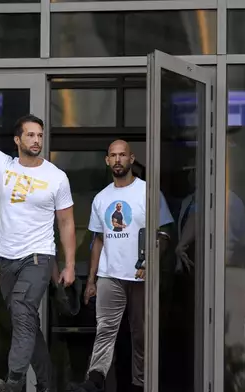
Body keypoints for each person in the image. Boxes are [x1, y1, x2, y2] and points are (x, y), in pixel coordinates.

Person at [0, 78, 77, 392]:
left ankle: (14, 382)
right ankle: (46, 383)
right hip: (7, 260)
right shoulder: (4, 166)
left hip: (39, 257)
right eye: (31, 135)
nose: (37, 140)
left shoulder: (56, 177)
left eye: (40, 135)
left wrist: (68, 265)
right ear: (18, 139)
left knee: (24, 312)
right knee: (24, 322)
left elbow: (66, 223)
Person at [68, 140, 175, 392]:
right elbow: (97, 240)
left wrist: (151, 260)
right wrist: (91, 281)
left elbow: (165, 234)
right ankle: (95, 380)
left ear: (131, 158)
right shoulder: (101, 198)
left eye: (122, 155)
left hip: (141, 276)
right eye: (113, 156)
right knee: (105, 329)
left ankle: (140, 384)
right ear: (107, 160)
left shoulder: (148, 192)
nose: (117, 160)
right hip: (110, 276)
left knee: (141, 335)